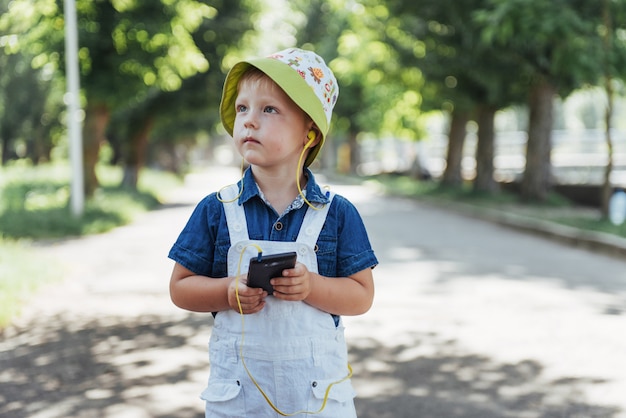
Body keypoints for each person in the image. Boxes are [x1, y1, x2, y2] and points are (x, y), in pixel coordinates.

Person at [168, 47, 378, 417]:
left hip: (316, 402)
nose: (249, 121)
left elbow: (361, 296)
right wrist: (225, 292)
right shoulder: (217, 209)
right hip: (239, 402)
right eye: (242, 108)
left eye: (269, 110)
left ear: (309, 132)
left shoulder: (337, 214)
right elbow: (180, 287)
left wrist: (312, 287)